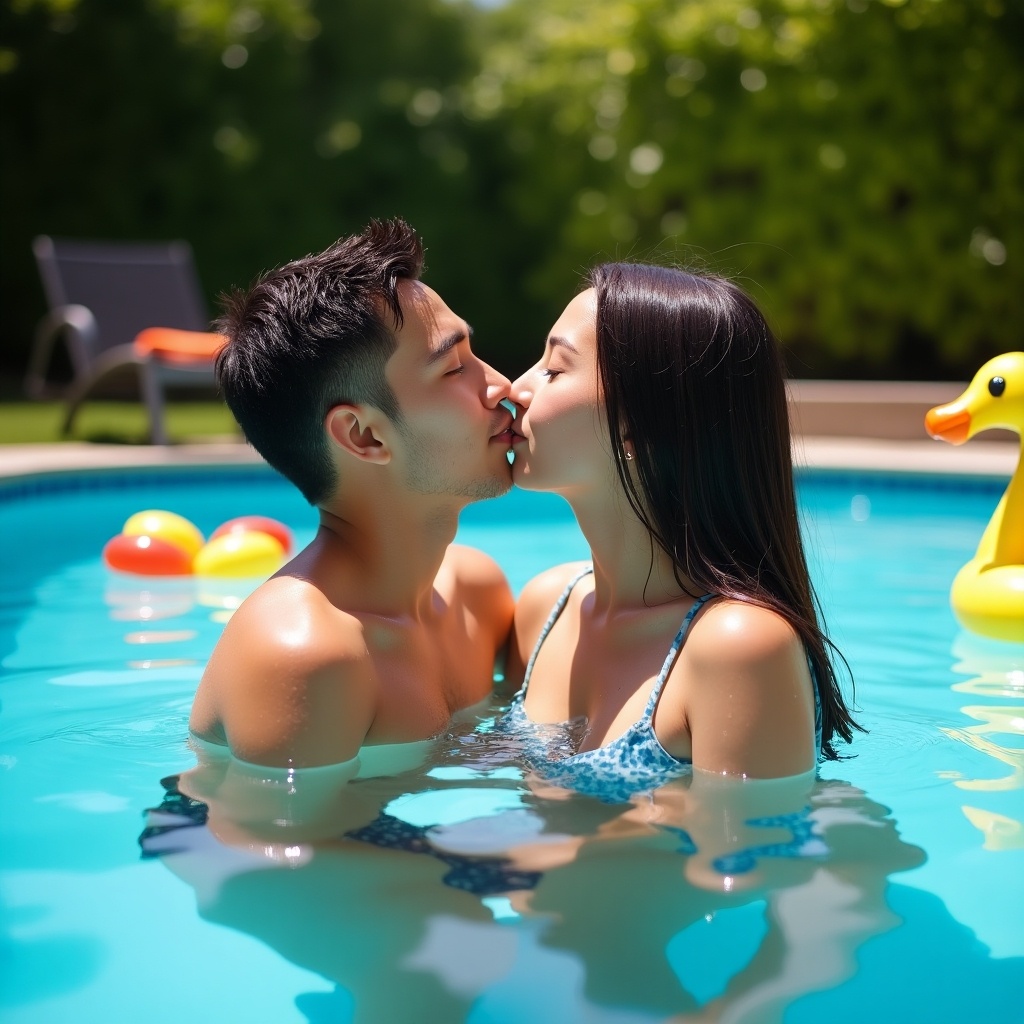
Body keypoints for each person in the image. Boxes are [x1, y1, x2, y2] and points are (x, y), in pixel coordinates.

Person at [503, 262, 860, 791]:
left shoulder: (736, 647)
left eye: (554, 370)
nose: (517, 386)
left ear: (639, 427)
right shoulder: (546, 608)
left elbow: (747, 865)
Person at [189, 219, 517, 768]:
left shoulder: (476, 596)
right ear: (364, 436)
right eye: (455, 367)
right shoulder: (303, 653)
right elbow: (274, 850)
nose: (502, 385)